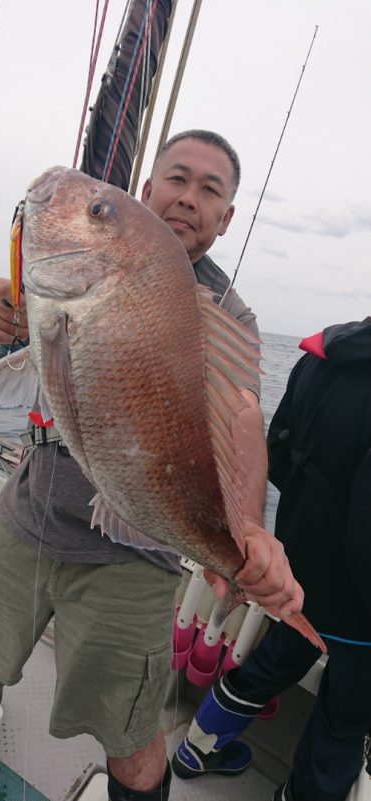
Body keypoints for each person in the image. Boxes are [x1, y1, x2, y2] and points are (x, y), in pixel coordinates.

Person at [0, 3, 303, 801]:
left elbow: (242, 426)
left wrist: (244, 539)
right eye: (176, 178)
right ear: (145, 189)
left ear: (226, 216)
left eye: (210, 190)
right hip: (31, 510)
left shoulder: (230, 319)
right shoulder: (71, 275)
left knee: (132, 741)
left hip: (135, 558)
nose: (189, 196)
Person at [172, 317, 371, 801]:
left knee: (266, 669)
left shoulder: (324, 353)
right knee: (342, 724)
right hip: (360, 609)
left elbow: (277, 454)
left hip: (297, 576)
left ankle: (195, 750)